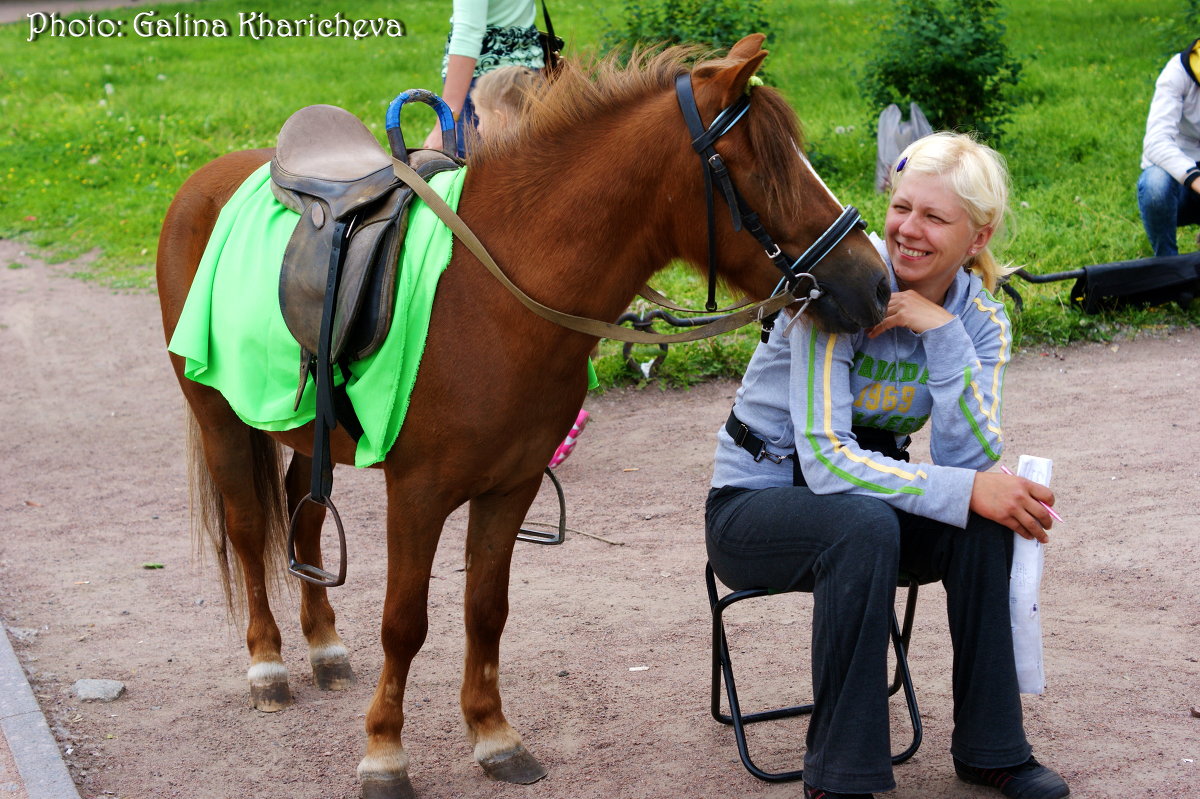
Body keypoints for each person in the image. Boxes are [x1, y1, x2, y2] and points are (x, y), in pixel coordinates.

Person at [705, 132, 1069, 799]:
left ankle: (993, 748)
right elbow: (823, 464)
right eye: (902, 207)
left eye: (935, 217)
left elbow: (965, 459)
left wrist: (944, 335)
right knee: (869, 521)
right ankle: (841, 776)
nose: (908, 229)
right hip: (753, 507)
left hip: (867, 507)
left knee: (988, 516)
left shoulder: (980, 320)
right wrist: (964, 489)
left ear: (978, 236)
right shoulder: (839, 284)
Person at [466, 65, 592, 468]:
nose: (478, 129)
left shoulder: (504, 170)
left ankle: (554, 429)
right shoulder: (551, 161)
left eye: (479, 117)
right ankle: (564, 421)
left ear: (500, 119)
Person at [423, 0, 545, 156]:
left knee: (475, 174)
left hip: (484, 86)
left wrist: (446, 120)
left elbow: (469, 30)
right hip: (528, 74)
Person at [1138, 37, 1200, 257]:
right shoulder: (1178, 70)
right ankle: (1168, 266)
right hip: (1179, 180)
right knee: (1155, 184)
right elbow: (1155, 142)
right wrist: (1195, 178)